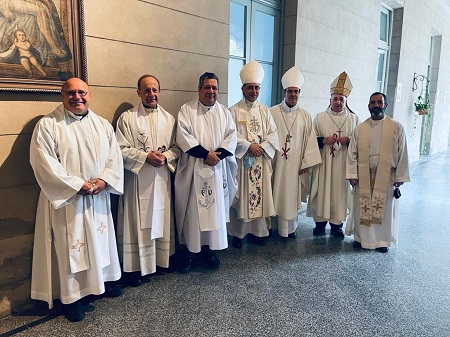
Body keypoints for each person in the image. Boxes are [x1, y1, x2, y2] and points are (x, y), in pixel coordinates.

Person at [29, 78, 124, 322]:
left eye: (82, 92)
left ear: (89, 95)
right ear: (62, 95)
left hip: (97, 196)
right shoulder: (48, 125)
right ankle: (72, 299)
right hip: (67, 201)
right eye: (71, 93)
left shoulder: (102, 124)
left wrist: (104, 181)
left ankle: (98, 286)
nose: (77, 97)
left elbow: (115, 158)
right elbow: (43, 163)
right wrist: (77, 185)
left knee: (98, 243)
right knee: (70, 247)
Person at [116, 75, 180, 286]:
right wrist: (145, 157)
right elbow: (120, 149)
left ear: (159, 92)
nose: (151, 94)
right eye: (146, 90)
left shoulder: (169, 119)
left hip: (161, 178)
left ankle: (161, 261)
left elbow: (177, 147)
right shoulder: (127, 118)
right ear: (138, 93)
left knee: (160, 218)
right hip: (137, 181)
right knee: (138, 222)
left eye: (155, 90)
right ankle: (135, 268)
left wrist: (166, 157)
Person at [175, 72, 238, 272]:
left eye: (214, 88)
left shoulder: (224, 112)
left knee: (214, 210)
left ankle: (209, 250)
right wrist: (204, 154)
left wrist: (215, 156)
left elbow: (232, 136)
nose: (211, 91)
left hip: (217, 169)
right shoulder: (187, 109)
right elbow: (183, 136)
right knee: (195, 212)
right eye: (207, 87)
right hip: (195, 169)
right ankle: (190, 252)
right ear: (199, 89)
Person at [346, 92, 410, 253]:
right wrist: (352, 174)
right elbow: (352, 153)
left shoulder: (396, 127)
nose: (376, 105)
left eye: (379, 102)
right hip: (364, 175)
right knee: (363, 209)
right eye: (373, 103)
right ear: (369, 106)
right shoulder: (360, 128)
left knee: (383, 210)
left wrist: (400, 176)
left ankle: (382, 241)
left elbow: (403, 152)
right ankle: (361, 239)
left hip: (386, 177)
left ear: (385, 105)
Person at [227, 60, 279, 248]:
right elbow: (230, 135)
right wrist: (248, 145)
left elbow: (274, 133)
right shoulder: (233, 110)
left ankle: (258, 233)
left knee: (260, 195)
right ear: (243, 88)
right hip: (243, 163)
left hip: (260, 161)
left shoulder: (265, 111)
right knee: (242, 195)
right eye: (250, 88)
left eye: (256, 88)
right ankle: (238, 234)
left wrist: (262, 146)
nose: (254, 91)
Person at [270, 66, 321, 238]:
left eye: (296, 91)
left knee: (290, 196)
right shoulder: (272, 113)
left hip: (296, 166)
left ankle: (289, 229)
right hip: (276, 163)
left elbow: (311, 142)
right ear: (284, 92)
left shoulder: (305, 116)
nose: (293, 94)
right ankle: (271, 226)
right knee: (273, 191)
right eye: (290, 91)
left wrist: (306, 163)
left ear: (299, 93)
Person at [307, 72, 359, 238]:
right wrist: (323, 140)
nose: (338, 102)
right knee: (323, 191)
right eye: (335, 99)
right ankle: (320, 224)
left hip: (343, 165)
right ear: (330, 100)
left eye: (341, 100)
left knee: (339, 194)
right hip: (324, 164)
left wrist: (349, 140)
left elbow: (359, 142)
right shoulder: (320, 118)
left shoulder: (353, 119)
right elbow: (310, 140)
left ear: (346, 101)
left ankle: (337, 226)